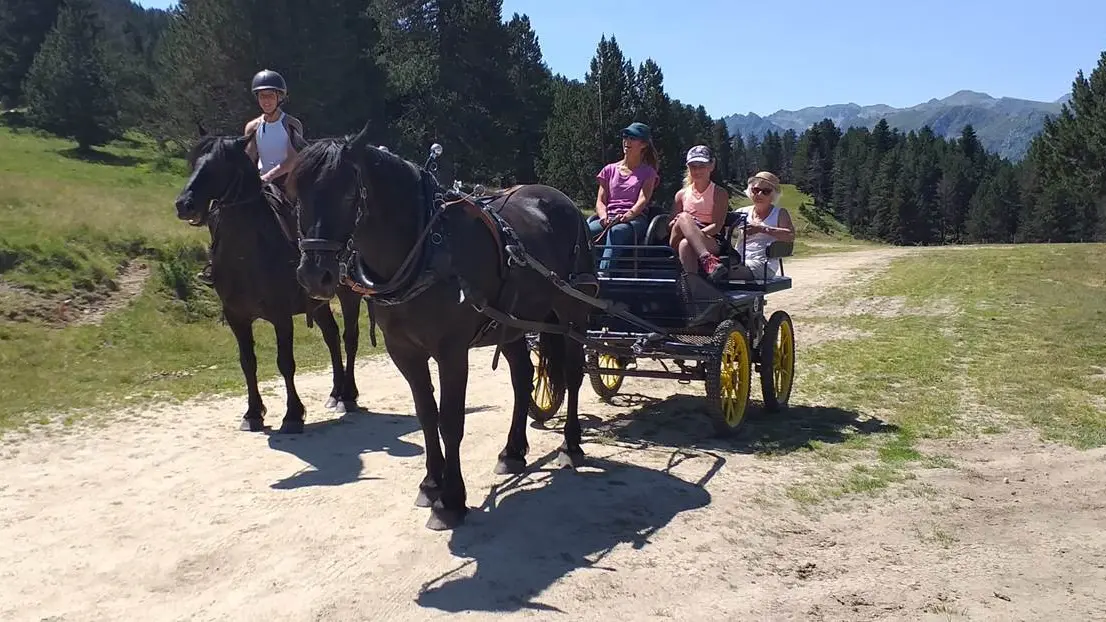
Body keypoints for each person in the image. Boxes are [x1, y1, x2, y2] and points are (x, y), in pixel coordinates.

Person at [198, 69, 308, 286]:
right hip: (260, 182)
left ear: (280, 97)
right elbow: (249, 158)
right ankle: (217, 263)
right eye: (261, 96)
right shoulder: (253, 126)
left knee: (297, 216)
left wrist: (267, 176)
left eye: (270, 95)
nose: (265, 100)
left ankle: (305, 262)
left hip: (286, 182)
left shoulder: (291, 124)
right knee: (219, 212)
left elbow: (293, 159)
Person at [588, 122, 660, 273]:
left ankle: (603, 274)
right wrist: (603, 217)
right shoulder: (609, 170)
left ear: (644, 145)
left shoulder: (648, 173)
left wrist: (629, 215)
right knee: (584, 231)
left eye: (633, 137)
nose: (627, 141)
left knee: (616, 232)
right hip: (608, 218)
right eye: (625, 136)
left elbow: (643, 200)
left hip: (634, 220)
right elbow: (601, 200)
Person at [669, 145, 730, 281]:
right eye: (693, 166)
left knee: (686, 244)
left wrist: (694, 236)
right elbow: (670, 224)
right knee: (684, 217)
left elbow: (717, 226)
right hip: (678, 236)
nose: (697, 170)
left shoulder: (719, 193)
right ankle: (707, 260)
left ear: (711, 166)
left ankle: (693, 288)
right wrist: (681, 224)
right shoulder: (681, 194)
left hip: (710, 237)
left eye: (701, 166)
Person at [734, 171, 795, 279]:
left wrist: (761, 229)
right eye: (756, 190)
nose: (759, 194)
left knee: (726, 273)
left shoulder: (780, 213)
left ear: (774, 195)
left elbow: (790, 236)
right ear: (750, 191)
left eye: (766, 191)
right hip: (738, 261)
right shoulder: (741, 211)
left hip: (765, 264)